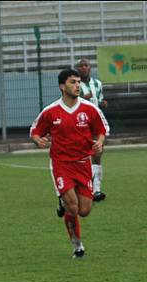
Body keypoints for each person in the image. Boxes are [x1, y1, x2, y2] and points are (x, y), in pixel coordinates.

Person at [30, 69, 109, 258]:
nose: (77, 86)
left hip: (83, 164)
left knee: (85, 211)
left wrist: (99, 142)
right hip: (61, 164)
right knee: (73, 208)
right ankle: (78, 246)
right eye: (73, 82)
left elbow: (102, 129)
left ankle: (63, 202)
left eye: (78, 82)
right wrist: (37, 140)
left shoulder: (89, 109)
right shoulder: (50, 111)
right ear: (62, 86)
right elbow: (35, 130)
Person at [77, 58, 108, 202]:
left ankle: (96, 190)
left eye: (86, 65)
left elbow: (99, 100)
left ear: (90, 68)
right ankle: (83, 187)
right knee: (81, 156)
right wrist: (82, 98)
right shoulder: (75, 85)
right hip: (81, 123)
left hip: (96, 122)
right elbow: (71, 102)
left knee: (97, 153)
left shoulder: (98, 84)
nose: (83, 68)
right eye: (81, 66)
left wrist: (102, 103)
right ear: (77, 69)